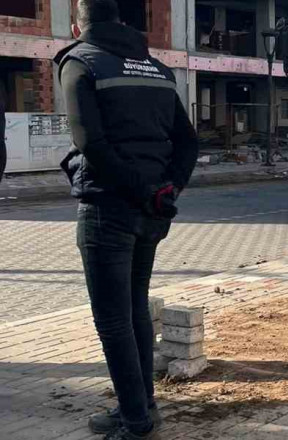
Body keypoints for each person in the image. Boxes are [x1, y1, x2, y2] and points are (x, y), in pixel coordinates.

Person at [54, 0, 198, 438]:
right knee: (134, 307)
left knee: (113, 320)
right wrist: (165, 190)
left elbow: (91, 144)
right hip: (153, 211)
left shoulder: (80, 63)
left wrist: (142, 190)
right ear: (118, 20)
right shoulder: (155, 68)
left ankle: (135, 422)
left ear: (79, 24)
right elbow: (188, 143)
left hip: (107, 209)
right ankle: (142, 406)